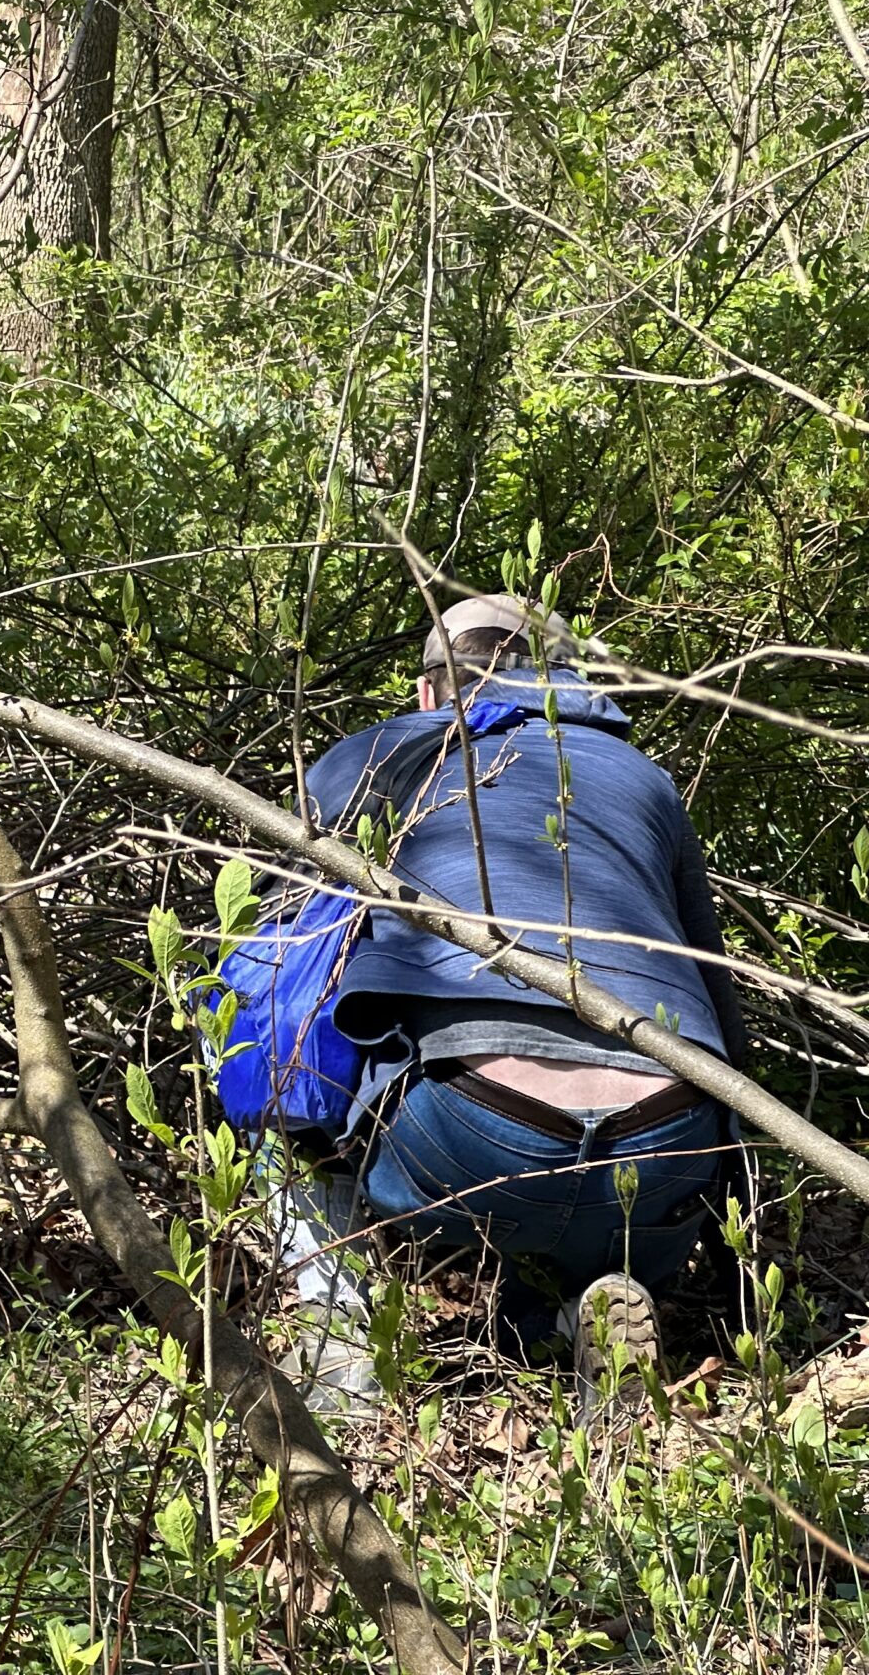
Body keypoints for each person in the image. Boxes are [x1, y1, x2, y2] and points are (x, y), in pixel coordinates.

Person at [275, 592, 744, 1412]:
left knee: (256, 1039)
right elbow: (718, 998)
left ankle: (340, 1342)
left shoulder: (385, 755)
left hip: (472, 1138)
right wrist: (729, 1198)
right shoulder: (647, 780)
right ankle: (575, 1312)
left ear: (428, 689)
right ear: (565, 679)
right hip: (663, 1146)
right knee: (591, 1216)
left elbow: (282, 954)